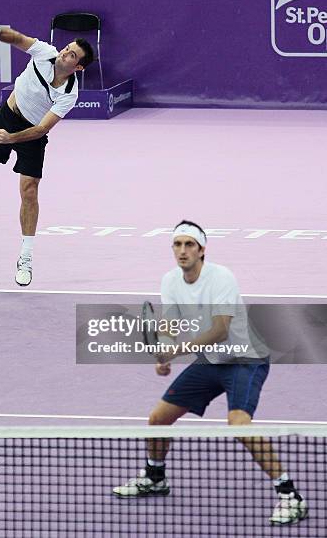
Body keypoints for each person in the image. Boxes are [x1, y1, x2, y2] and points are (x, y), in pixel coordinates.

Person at [113, 220, 307, 526]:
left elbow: (220, 329)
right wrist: (163, 351)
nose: (182, 250)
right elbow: (170, 324)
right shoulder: (170, 281)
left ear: (202, 250)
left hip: (245, 360)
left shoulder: (221, 278)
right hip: (210, 362)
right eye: (177, 244)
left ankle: (289, 496)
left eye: (190, 244)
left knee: (238, 424)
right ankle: (155, 477)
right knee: (158, 418)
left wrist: (175, 352)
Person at [0, 18, 94, 285]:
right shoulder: (45, 53)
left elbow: (41, 129)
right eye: (67, 47)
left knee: (29, 190)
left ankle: (25, 257)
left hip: (31, 135)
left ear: (78, 67)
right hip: (6, 116)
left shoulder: (70, 94)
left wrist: (10, 139)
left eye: (72, 54)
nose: (64, 52)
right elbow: (15, 37)